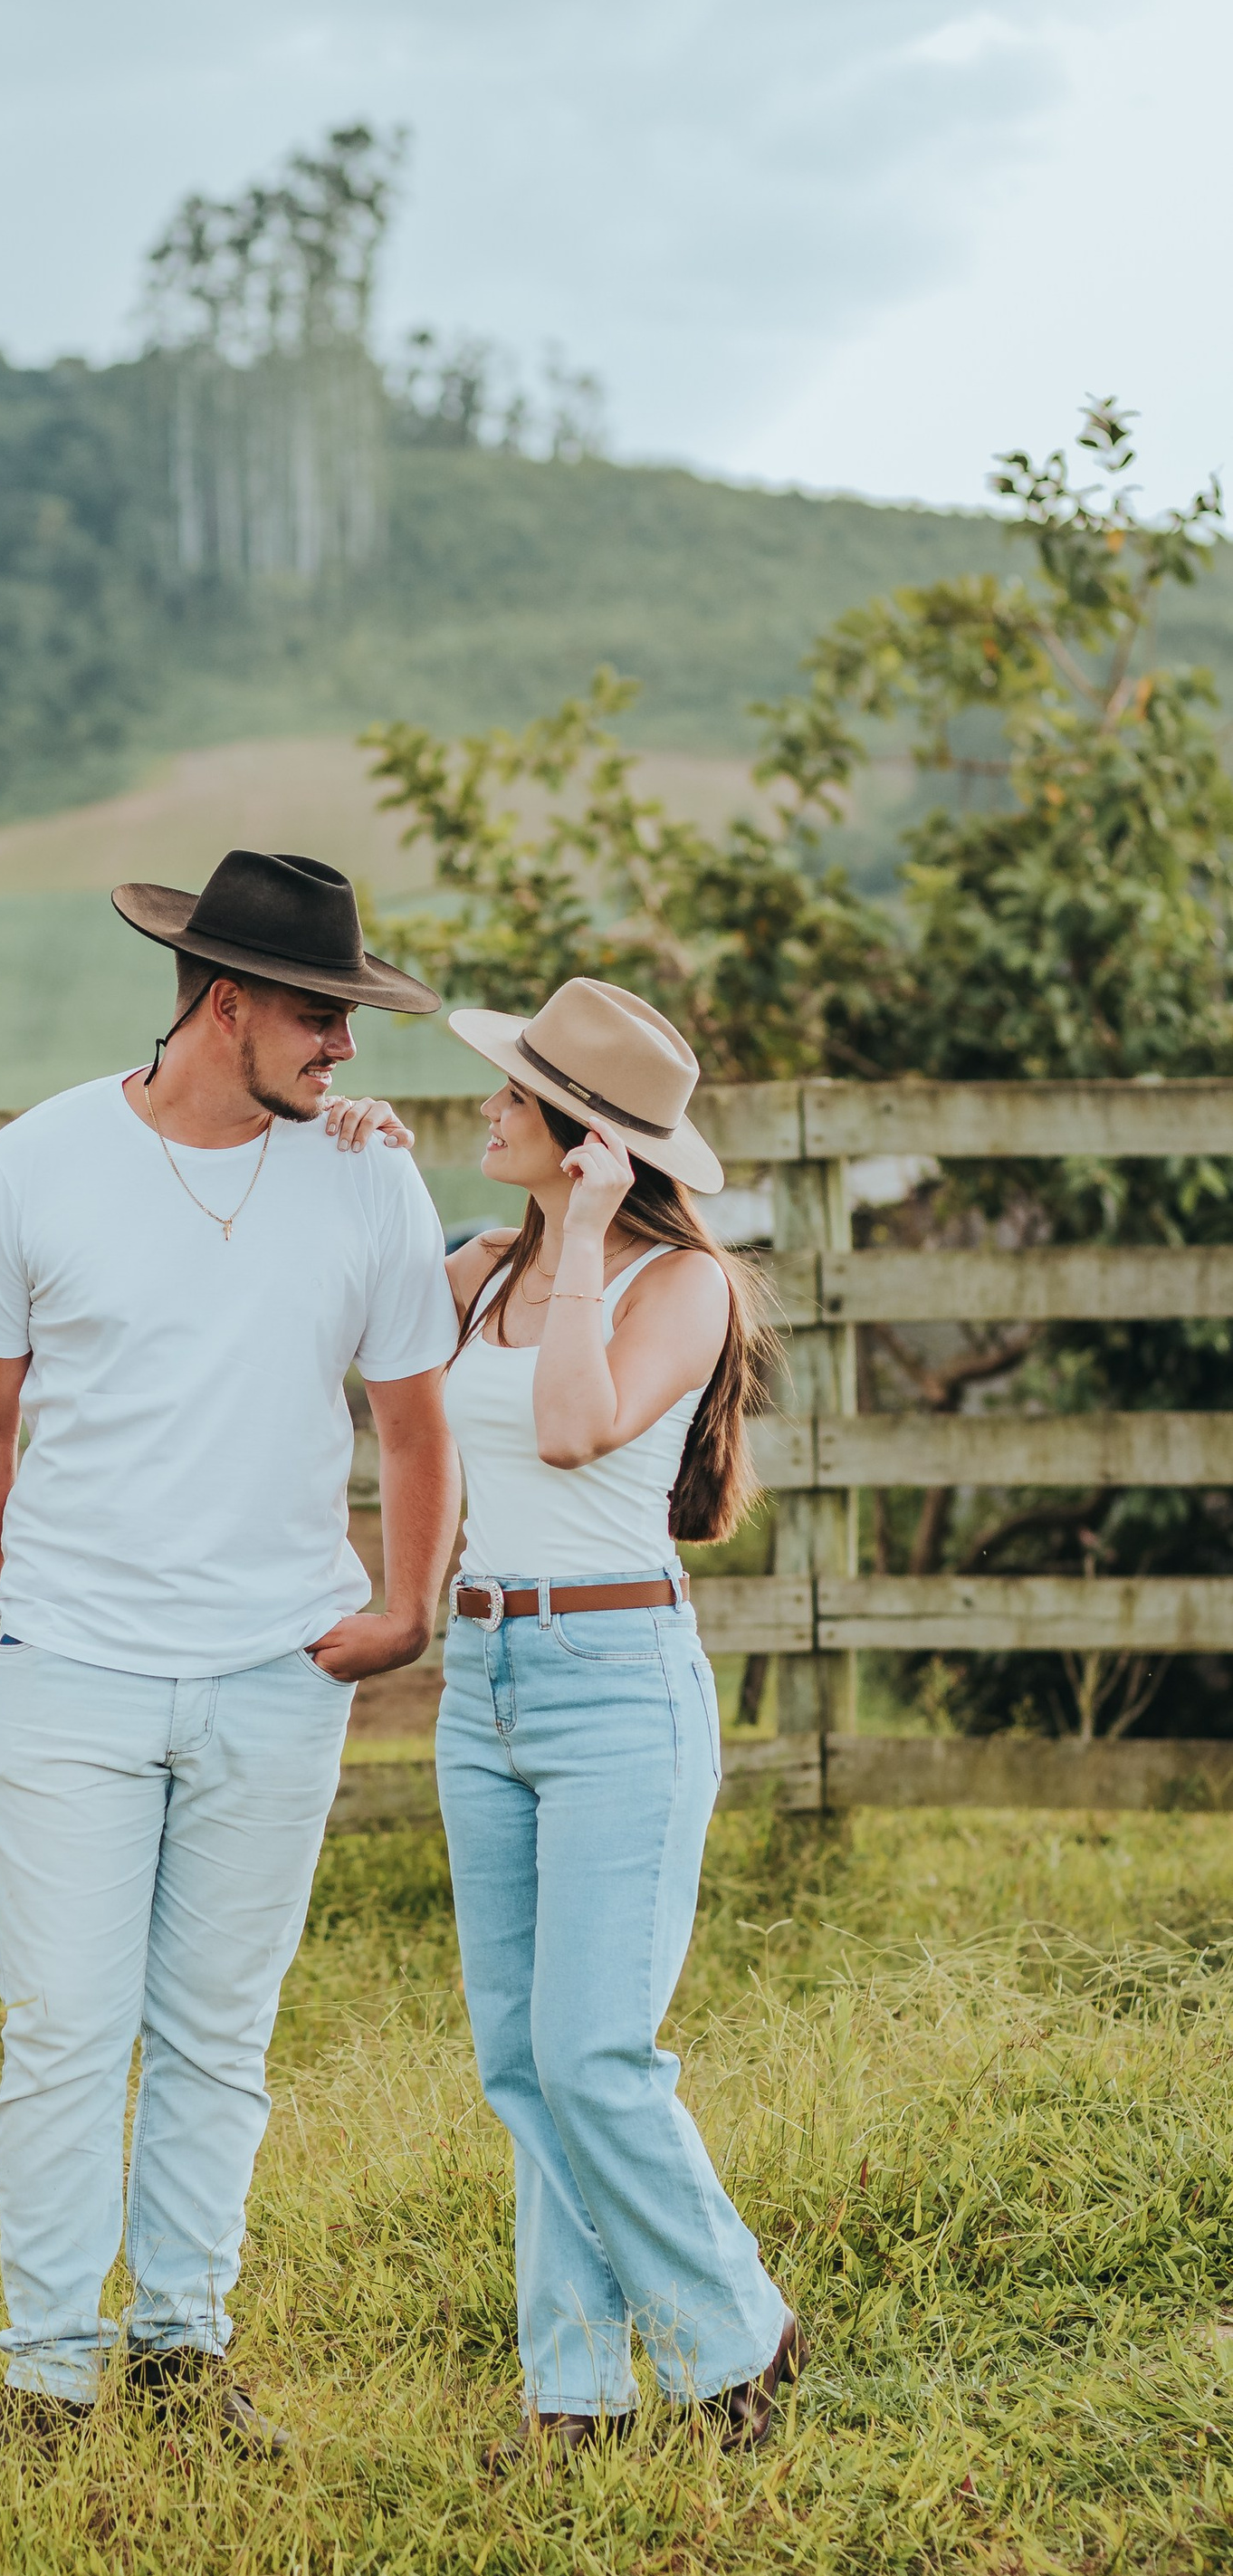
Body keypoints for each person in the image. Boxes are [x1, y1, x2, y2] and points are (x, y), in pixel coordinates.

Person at [0, 850, 462, 2485]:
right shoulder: (32, 1166)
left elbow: (416, 1422)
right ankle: (46, 2381)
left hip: (277, 1676)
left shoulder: (371, 1180)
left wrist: (411, 1606)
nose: (346, 1047)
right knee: (66, 2036)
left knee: (221, 2034)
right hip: (68, 1671)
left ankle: (182, 2352)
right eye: (320, 1017)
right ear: (226, 1003)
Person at [434, 975, 803, 2459]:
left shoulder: (678, 1284)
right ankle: (575, 2394)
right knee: (522, 2064)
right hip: (482, 1679)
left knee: (593, 2053)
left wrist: (583, 1233)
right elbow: (334, 1328)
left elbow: (573, 1425)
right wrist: (344, 1161)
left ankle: (740, 2340)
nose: (488, 1106)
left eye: (514, 1093)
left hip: (616, 1684)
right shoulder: (480, 1270)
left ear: (588, 1138)